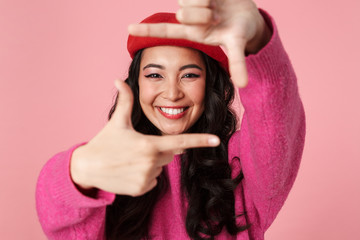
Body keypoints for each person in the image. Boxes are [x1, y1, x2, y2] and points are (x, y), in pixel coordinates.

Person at [36, 0, 306, 239]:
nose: (173, 93)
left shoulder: (238, 169)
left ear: (210, 85)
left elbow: (275, 123)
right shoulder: (111, 169)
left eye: (189, 75)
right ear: (136, 84)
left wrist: (257, 36)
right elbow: (59, 219)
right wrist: (81, 170)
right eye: (155, 75)